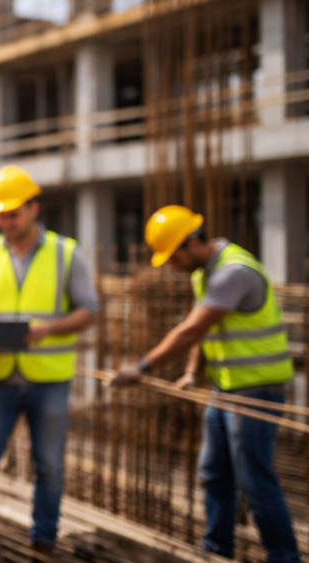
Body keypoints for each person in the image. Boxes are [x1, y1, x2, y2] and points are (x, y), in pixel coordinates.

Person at [111, 205, 299, 563]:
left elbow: (192, 329)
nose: (171, 265)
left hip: (257, 390)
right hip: (225, 387)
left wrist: (142, 366)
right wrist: (191, 372)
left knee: (256, 484)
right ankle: (217, 548)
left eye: (173, 256)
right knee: (213, 471)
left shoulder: (233, 272)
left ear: (192, 242)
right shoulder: (205, 275)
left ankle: (285, 558)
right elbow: (207, 328)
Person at [0, 165, 99, 562]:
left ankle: (43, 543)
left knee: (48, 467)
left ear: (34, 208)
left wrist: (49, 329)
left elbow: (89, 310)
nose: (5, 222)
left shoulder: (67, 254)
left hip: (48, 380)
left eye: (12, 213)